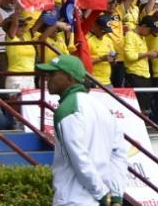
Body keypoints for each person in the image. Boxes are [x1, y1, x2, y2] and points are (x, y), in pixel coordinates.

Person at [35, 55, 127, 206]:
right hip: (99, 198)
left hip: (74, 198)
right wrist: (116, 195)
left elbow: (78, 158)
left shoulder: (66, 109)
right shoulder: (103, 108)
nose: (47, 79)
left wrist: (101, 193)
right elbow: (119, 153)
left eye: (53, 74)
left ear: (69, 78)